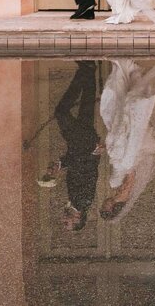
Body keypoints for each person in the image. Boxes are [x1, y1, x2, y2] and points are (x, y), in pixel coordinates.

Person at [97, 59, 155, 221]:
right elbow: (130, 178)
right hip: (126, 158)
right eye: (105, 207)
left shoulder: (117, 193)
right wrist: (126, 164)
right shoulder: (121, 195)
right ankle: (130, 72)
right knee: (126, 111)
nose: (104, 203)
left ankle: (128, 72)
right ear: (110, 209)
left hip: (124, 158)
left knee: (115, 112)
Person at [41, 61, 102, 232]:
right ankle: (85, 70)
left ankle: (89, 70)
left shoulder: (77, 201)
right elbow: (87, 170)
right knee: (61, 112)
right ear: (78, 218)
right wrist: (93, 153)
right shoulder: (83, 200)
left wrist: (60, 165)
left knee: (87, 104)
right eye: (67, 223)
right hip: (83, 144)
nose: (63, 220)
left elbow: (79, 168)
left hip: (84, 144)